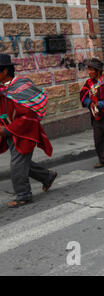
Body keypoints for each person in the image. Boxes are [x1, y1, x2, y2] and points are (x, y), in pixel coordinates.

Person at [0, 54, 58, 208]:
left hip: (25, 133)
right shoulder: (2, 89)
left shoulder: (21, 86)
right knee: (22, 163)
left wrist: (6, 130)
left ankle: (23, 195)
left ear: (5, 71)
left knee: (17, 165)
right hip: (11, 133)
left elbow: (28, 115)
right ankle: (47, 176)